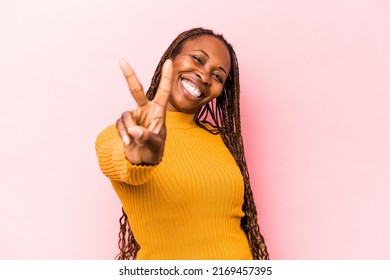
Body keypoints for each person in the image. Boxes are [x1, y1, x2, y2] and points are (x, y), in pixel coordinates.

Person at [95, 27, 269, 260]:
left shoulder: (220, 139)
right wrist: (142, 157)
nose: (205, 77)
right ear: (171, 59)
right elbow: (118, 160)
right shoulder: (120, 135)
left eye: (217, 76)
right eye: (197, 59)